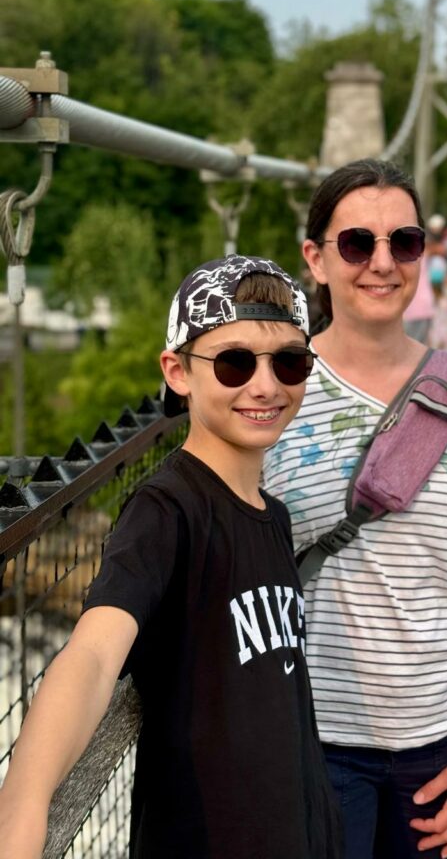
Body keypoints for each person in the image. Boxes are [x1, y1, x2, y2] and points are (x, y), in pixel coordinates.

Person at [0, 256, 341, 859]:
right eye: (235, 362)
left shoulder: (274, 516)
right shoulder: (166, 510)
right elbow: (94, 654)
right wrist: (23, 805)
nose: (266, 385)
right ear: (178, 371)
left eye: (289, 361)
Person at [263, 158, 447, 859]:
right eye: (357, 243)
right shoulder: (271, 388)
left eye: (403, 242)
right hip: (313, 740)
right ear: (315, 259)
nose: (382, 263)